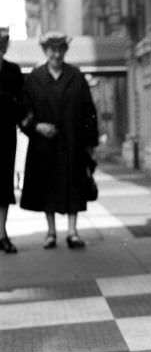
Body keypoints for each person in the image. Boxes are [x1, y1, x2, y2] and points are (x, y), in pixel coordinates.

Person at [20, 31, 98, 249]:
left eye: (60, 49)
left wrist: (90, 144)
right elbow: (24, 111)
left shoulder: (76, 77)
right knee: (47, 186)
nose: (56, 54)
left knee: (74, 185)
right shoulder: (35, 78)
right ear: (45, 51)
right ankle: (51, 232)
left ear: (65, 51)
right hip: (44, 144)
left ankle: (73, 232)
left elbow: (88, 111)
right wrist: (37, 126)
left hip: (72, 143)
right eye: (52, 50)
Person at [0, 27, 23, 253]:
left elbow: (21, 104)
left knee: (5, 186)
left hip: (6, 135)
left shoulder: (13, 71)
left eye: (2, 45)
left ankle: (2, 233)